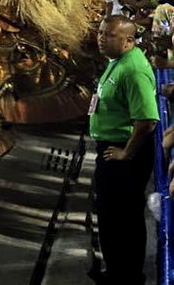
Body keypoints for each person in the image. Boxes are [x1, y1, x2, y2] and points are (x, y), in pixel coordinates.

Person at [90, 16, 159, 284]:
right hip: (113, 151)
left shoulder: (133, 69)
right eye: (100, 32)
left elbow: (148, 121)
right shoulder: (117, 61)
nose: (100, 38)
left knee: (123, 219)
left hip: (123, 155)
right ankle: (116, 270)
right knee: (111, 217)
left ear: (128, 40)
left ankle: (127, 277)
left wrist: (126, 153)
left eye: (108, 35)